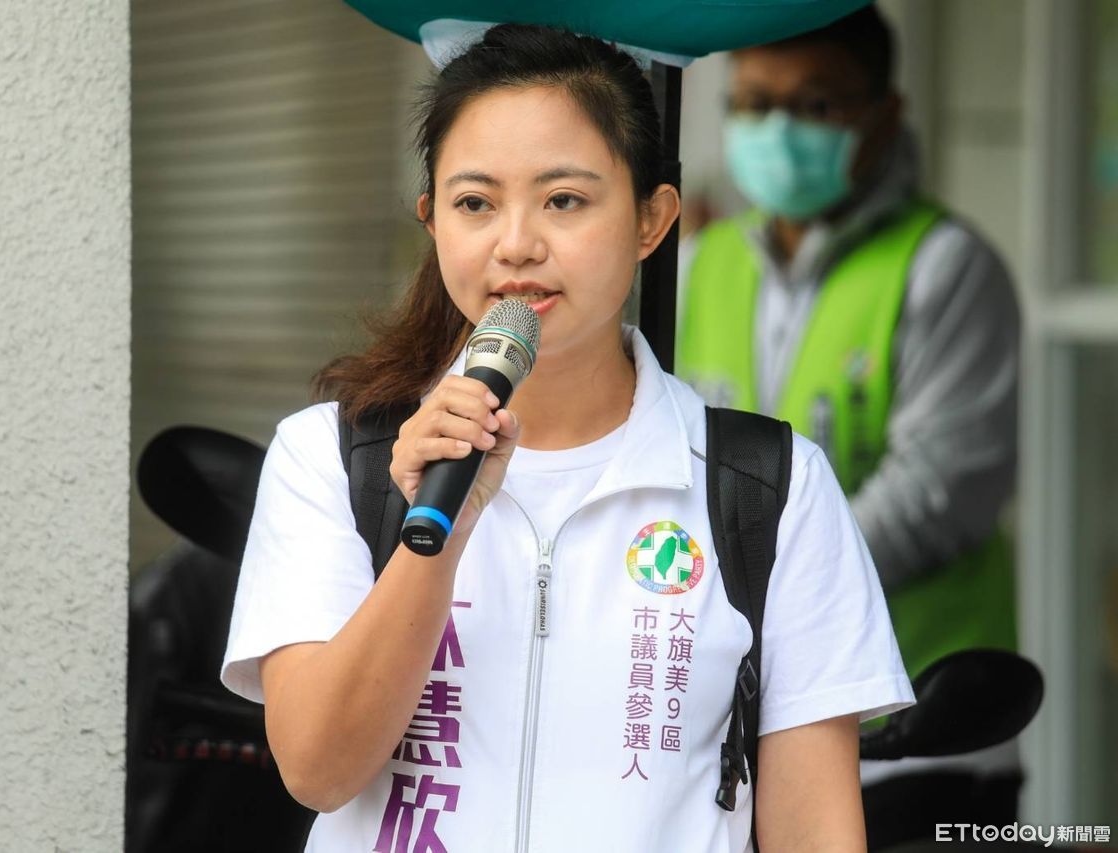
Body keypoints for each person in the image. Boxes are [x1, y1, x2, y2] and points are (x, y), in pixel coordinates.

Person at [222, 23, 911, 852]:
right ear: (432, 220)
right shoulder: (332, 459)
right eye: (475, 203)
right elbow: (318, 769)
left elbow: (815, 830)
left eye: (564, 201)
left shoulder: (770, 487)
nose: (517, 244)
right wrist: (436, 534)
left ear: (653, 220)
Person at [675, 6, 1021, 848]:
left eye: (815, 104)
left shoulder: (944, 266)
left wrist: (759, 585)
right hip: (748, 739)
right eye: (754, 104)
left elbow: (937, 493)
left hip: (915, 738)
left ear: (883, 113)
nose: (778, 129)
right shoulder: (700, 264)